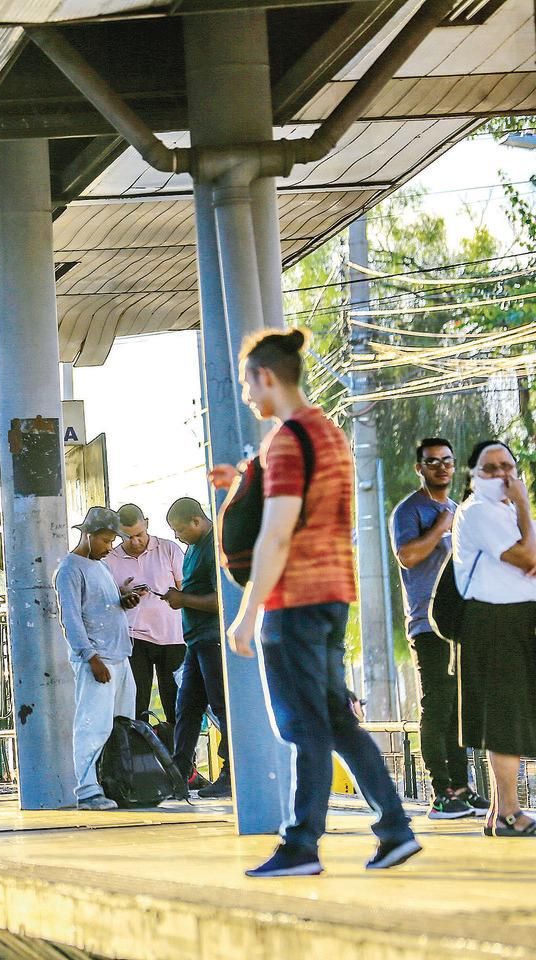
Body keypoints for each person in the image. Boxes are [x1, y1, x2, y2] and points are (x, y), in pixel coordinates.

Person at [217, 328, 419, 877]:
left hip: (295, 599)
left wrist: (247, 611)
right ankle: (395, 829)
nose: (245, 396)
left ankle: (301, 844)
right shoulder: (330, 432)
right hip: (334, 595)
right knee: (335, 721)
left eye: (246, 384)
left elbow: (277, 532)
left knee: (303, 726)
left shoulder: (286, 439)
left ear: (266, 376)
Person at [391, 437, 489, 818]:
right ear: (420, 468)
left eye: (447, 462)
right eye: (432, 462)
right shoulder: (409, 511)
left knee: (458, 711)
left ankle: (462, 788)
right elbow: (408, 555)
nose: (441, 468)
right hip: (426, 624)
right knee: (437, 707)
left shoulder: (458, 509)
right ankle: (440, 793)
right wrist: (443, 526)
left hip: (461, 624)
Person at [450, 440, 536, 838]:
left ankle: (500, 811)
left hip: (517, 618)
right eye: (491, 468)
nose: (502, 475)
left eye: (508, 466)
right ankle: (509, 814)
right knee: (504, 719)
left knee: (512, 717)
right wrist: (524, 505)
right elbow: (528, 559)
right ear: (474, 475)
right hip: (494, 620)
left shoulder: (503, 512)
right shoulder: (479, 512)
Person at [55, 506, 144, 811]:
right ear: (89, 536)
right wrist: (91, 657)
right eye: (106, 541)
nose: (109, 548)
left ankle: (116, 783)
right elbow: (71, 618)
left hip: (120, 655)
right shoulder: (70, 569)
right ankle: (88, 790)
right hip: (98, 659)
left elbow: (104, 606)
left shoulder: (101, 567)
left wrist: (125, 600)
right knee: (93, 726)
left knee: (120, 726)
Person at [161, 497, 231, 799]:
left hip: (213, 638)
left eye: (180, 530)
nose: (178, 537)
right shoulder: (191, 549)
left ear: (196, 521)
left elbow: (222, 600)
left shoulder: (216, 547)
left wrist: (183, 600)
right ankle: (178, 773)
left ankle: (232, 772)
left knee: (221, 706)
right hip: (195, 640)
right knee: (186, 706)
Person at [103, 503, 185, 732]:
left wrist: (169, 596)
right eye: (127, 537)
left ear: (146, 524)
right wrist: (123, 595)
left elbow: (185, 589)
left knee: (176, 703)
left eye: (139, 535)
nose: (135, 542)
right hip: (134, 637)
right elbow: (104, 601)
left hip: (173, 637)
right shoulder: (110, 557)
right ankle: (140, 757)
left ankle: (180, 760)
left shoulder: (169, 549)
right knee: (136, 702)